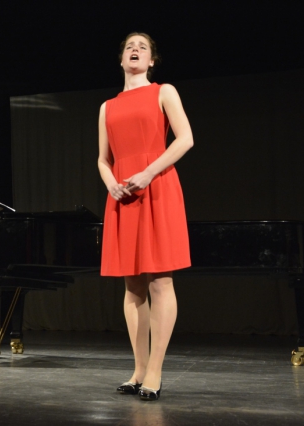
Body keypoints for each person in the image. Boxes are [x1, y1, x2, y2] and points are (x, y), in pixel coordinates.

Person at [97, 33, 194, 401]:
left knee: (160, 282)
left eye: (142, 47)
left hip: (157, 187)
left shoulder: (163, 92)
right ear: (121, 59)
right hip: (123, 194)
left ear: (152, 60)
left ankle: (155, 371)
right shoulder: (107, 106)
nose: (135, 50)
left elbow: (185, 139)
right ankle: (138, 370)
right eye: (129, 47)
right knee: (133, 286)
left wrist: (149, 172)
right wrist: (110, 183)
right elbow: (103, 159)